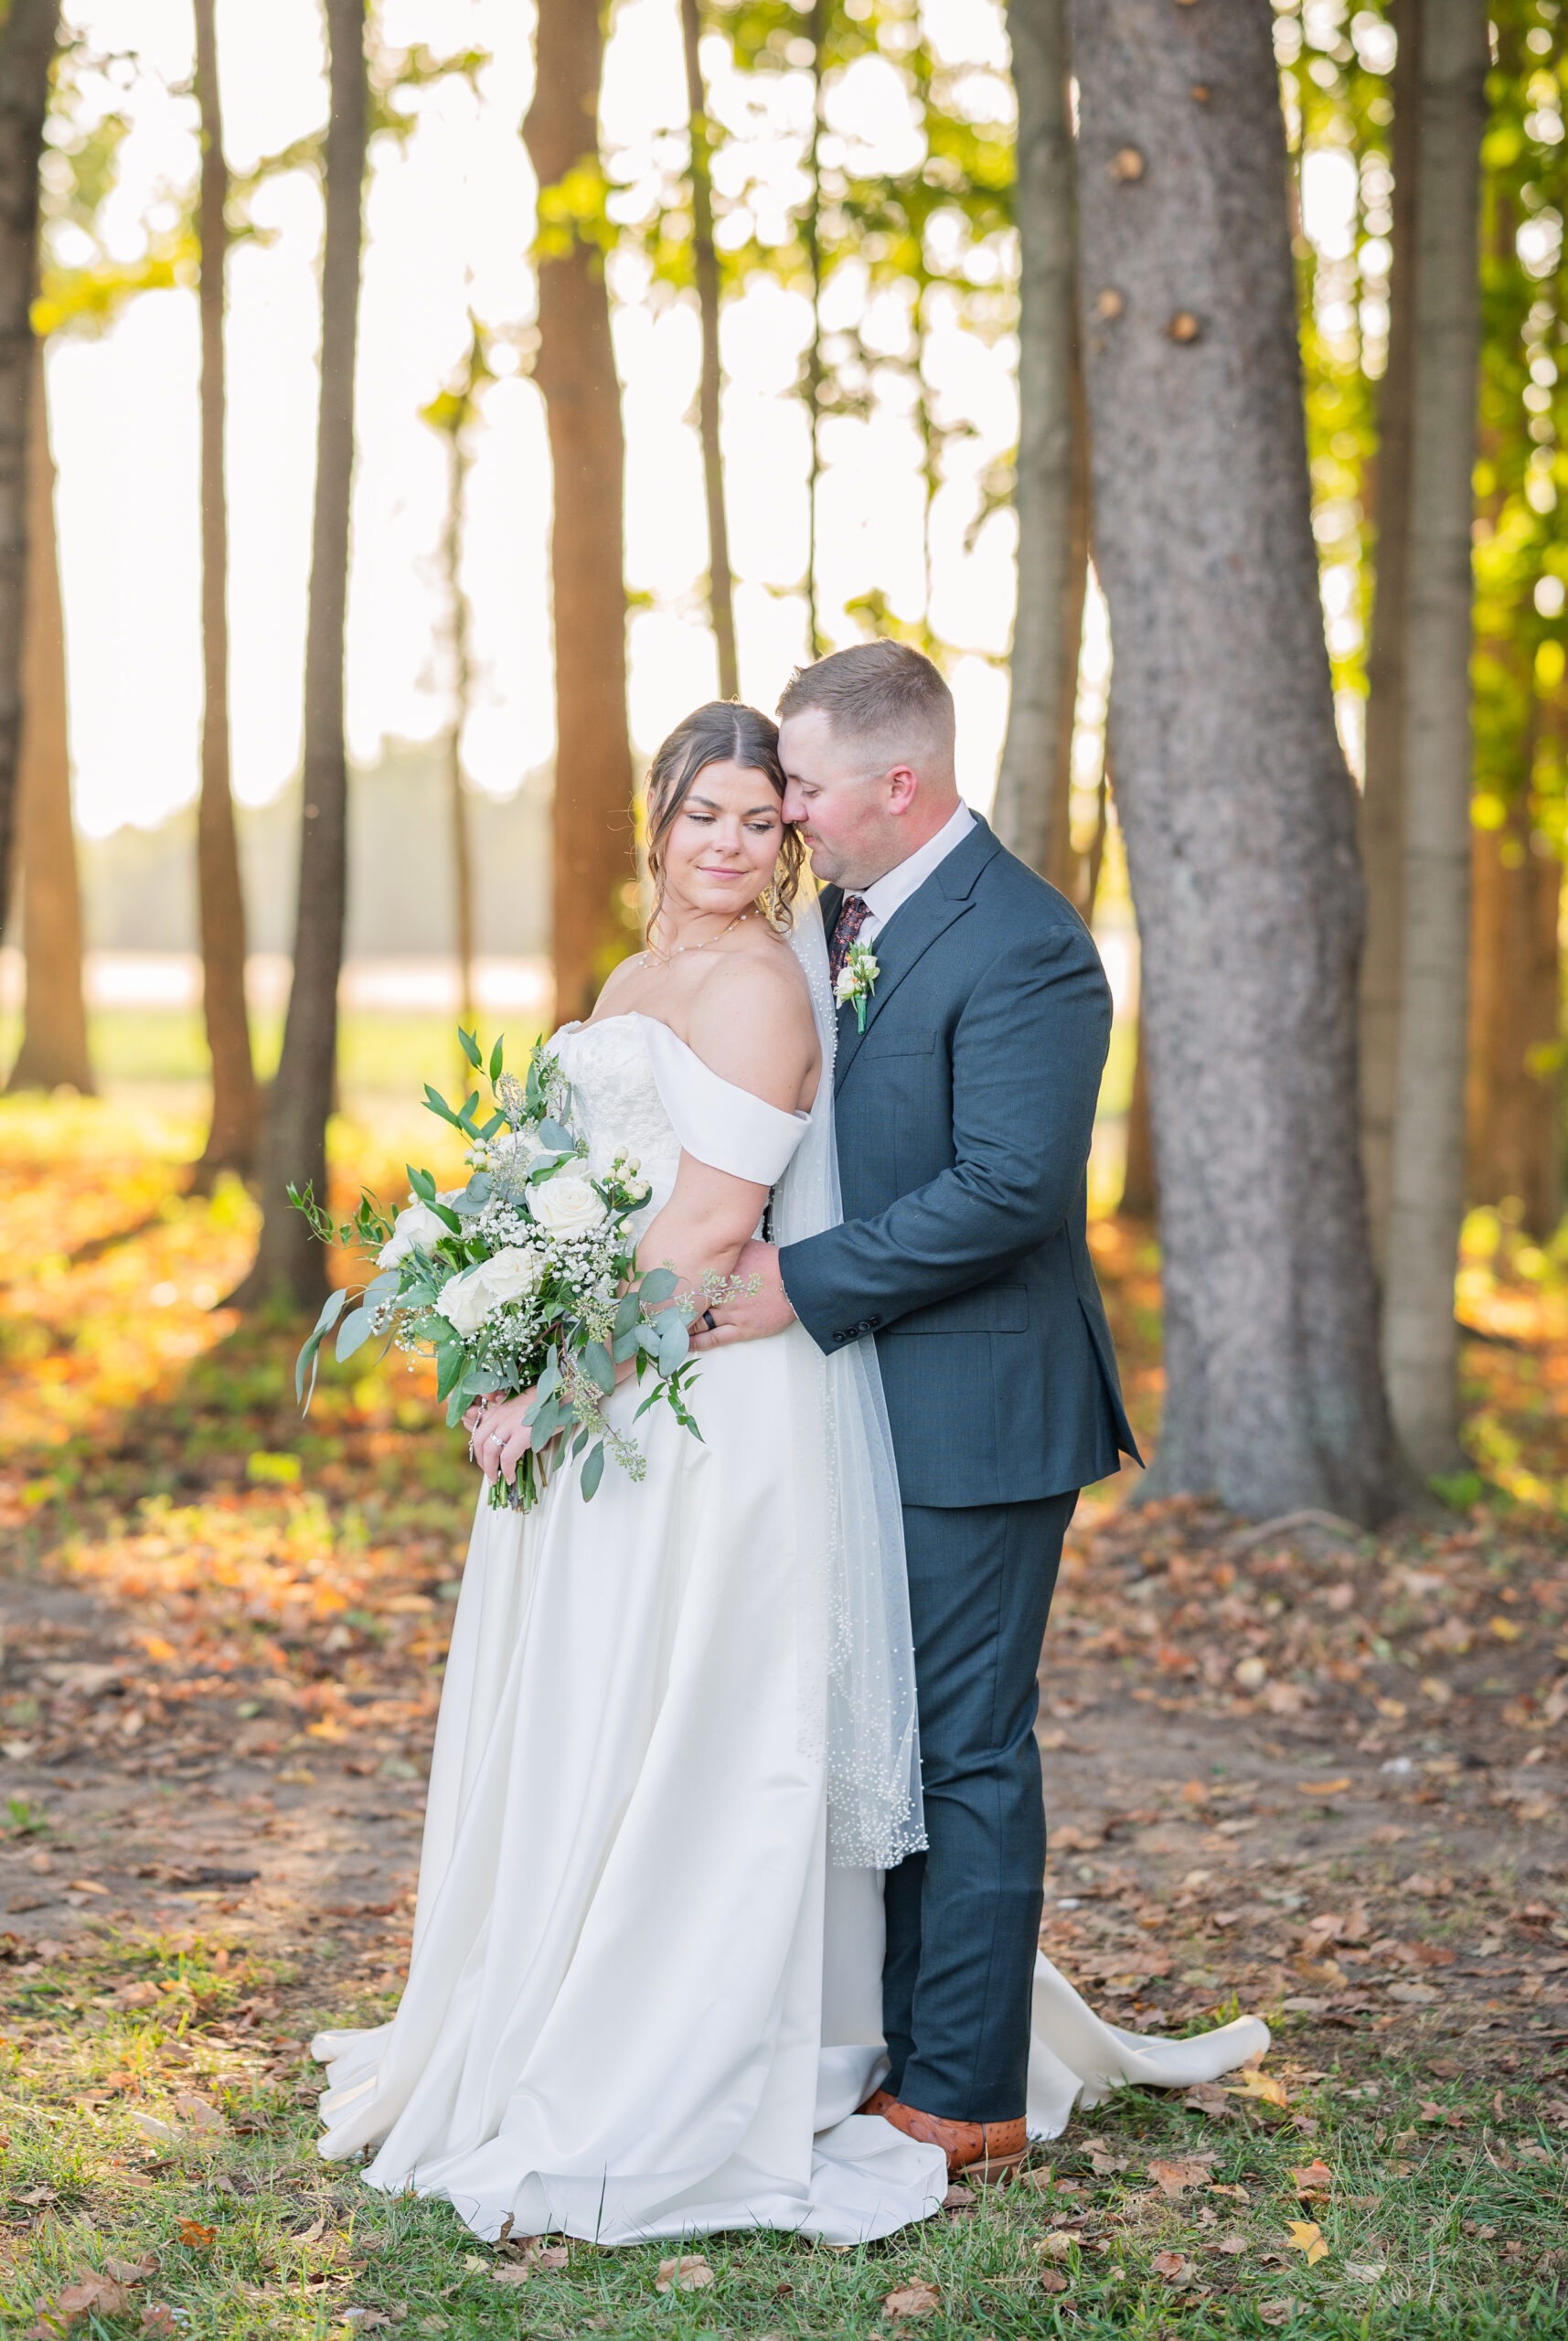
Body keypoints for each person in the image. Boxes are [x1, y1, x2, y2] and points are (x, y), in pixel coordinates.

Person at [312, 690, 1265, 2246]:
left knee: (953, 1746)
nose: (772, 829)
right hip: (769, 1379)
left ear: (891, 780)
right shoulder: (830, 925)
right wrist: (508, 1322)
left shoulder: (1016, 939)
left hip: (955, 1391)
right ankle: (850, 2030)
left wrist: (709, 1319)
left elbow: (1008, 1190)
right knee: (817, 1730)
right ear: (663, 818)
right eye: (733, 809)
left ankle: (959, 2092)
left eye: (790, 800)